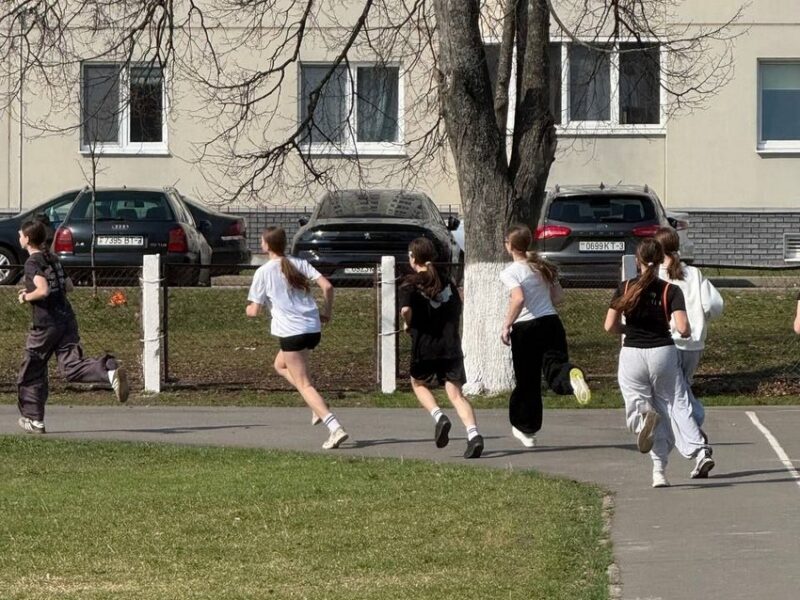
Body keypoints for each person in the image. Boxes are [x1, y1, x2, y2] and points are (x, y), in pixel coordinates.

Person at [604, 238, 714, 488]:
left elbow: (609, 326)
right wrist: (685, 331)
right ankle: (697, 451)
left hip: (632, 353)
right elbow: (683, 327)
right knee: (677, 404)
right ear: (659, 260)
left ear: (638, 261)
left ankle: (644, 424)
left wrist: (627, 329)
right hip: (663, 353)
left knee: (640, 406)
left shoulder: (625, 287)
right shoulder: (670, 290)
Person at [16, 220, 129, 434]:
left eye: (20, 235)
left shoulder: (32, 262)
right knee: (71, 367)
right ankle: (109, 371)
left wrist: (26, 297)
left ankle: (33, 419)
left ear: (27, 239)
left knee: (32, 370)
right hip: (66, 320)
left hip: (45, 325)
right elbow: (69, 286)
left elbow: (43, 290)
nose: (19, 238)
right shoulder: (53, 259)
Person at [246, 226, 348, 450]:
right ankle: (316, 404)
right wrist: (327, 312)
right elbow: (327, 287)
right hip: (312, 328)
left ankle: (335, 427)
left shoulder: (263, 272)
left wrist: (248, 309)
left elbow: (254, 311)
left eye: (262, 240)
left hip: (292, 332)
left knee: (304, 384)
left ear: (267, 245)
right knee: (280, 365)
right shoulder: (299, 263)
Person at [500, 224, 590, 448]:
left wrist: (506, 324)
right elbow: (558, 297)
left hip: (526, 329)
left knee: (527, 380)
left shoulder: (510, 272)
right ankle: (572, 377)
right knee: (555, 367)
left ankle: (526, 429)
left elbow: (518, 299)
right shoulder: (541, 267)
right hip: (551, 323)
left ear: (510, 246)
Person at [399, 237, 483, 459]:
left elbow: (405, 310)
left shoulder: (410, 283)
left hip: (425, 346)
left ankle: (439, 417)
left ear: (413, 258)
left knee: (418, 383)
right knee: (456, 394)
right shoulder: (447, 281)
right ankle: (474, 435)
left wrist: (408, 323)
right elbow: (457, 307)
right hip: (450, 345)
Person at [654, 227, 724, 433]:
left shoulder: (656, 275)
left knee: (674, 387)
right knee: (681, 384)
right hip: (694, 342)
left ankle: (694, 419)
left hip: (668, 340)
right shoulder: (693, 273)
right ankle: (679, 426)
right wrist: (701, 318)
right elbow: (713, 304)